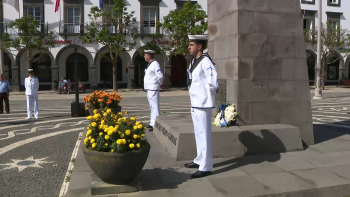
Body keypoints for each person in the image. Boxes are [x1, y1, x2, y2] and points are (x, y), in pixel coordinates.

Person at [184, 35, 218, 179]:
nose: (189, 47)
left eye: (191, 44)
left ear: (199, 46)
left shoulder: (205, 61)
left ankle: (206, 167)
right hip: (195, 103)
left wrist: (206, 95)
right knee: (198, 134)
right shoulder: (194, 61)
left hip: (203, 103)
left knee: (204, 135)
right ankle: (199, 160)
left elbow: (213, 81)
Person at [143, 50, 164, 131]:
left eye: (145, 55)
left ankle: (156, 124)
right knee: (152, 107)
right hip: (149, 88)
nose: (144, 56)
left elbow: (160, 76)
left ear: (149, 55)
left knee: (155, 106)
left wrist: (160, 84)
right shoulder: (150, 64)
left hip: (153, 88)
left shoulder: (155, 64)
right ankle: (152, 123)